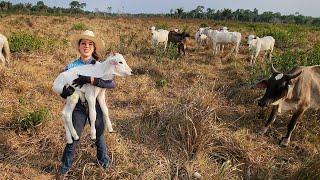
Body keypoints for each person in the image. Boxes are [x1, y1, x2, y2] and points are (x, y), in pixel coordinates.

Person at [57, 30, 114, 179]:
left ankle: (105, 164)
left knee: (100, 136)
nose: (86, 46)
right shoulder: (71, 66)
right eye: (83, 43)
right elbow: (62, 86)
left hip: (96, 105)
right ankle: (64, 169)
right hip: (79, 107)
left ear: (94, 48)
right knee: (74, 136)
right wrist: (66, 92)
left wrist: (92, 80)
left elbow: (111, 83)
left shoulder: (101, 66)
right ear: (79, 47)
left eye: (90, 44)